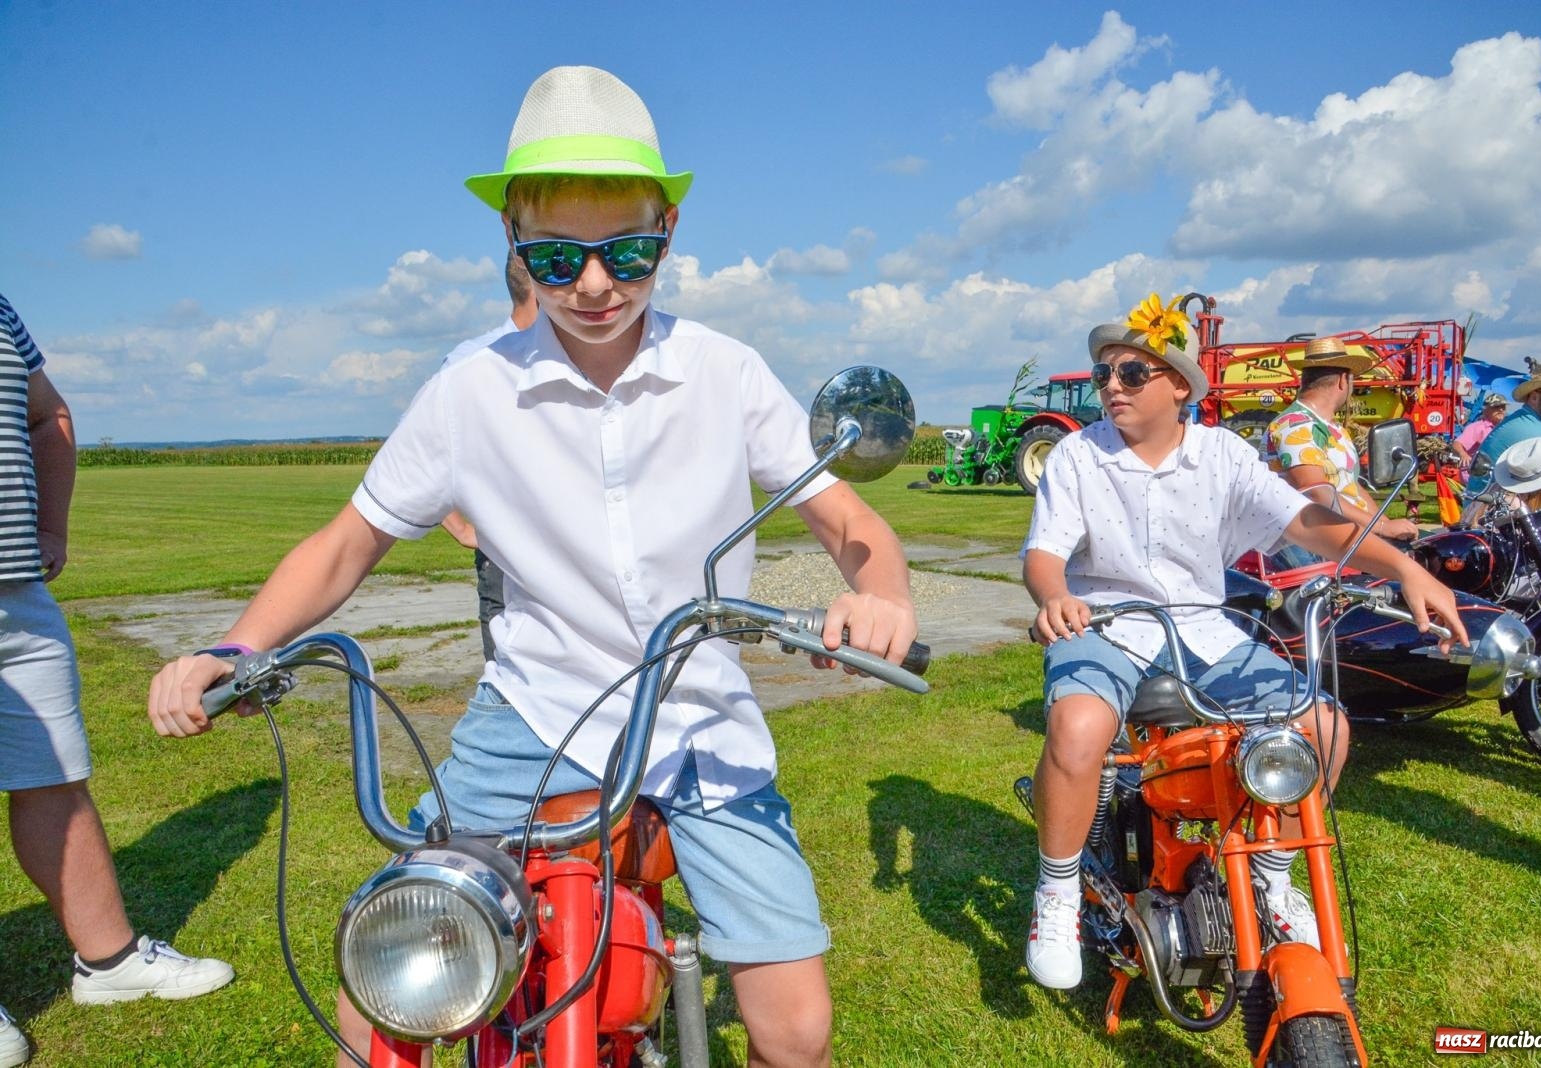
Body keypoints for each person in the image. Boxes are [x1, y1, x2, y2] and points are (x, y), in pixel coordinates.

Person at [146, 67, 917, 1068]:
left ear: (670, 228)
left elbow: (849, 519)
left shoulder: (725, 373)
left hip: (700, 721)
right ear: (512, 240)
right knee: (382, 987)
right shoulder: (469, 392)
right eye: (557, 259)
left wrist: (880, 592)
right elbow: (349, 542)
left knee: (794, 1029)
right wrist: (234, 649)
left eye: (629, 251)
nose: (596, 285)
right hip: (535, 713)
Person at [1020, 294, 1467, 991]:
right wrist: (1056, 599)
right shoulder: (1078, 456)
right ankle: (1056, 892)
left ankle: (1271, 878)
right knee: (1077, 729)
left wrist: (1405, 567)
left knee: (1324, 726)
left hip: (1203, 629)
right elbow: (1044, 554)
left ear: (1178, 385)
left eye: (1131, 373)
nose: (1111, 385)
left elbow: (1310, 522)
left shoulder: (1222, 454)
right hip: (1103, 625)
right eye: (1105, 371)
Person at [0, 294, 233, 1068]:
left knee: (56, 781)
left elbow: (48, 415)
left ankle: (110, 963)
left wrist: (52, 526)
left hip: (17, 597)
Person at [438, 249, 539, 661]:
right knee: (507, 676)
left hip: (582, 546)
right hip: (505, 551)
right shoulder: (472, 363)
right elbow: (426, 453)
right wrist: (462, 529)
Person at [1266, 336, 1419, 541]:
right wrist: (1381, 527)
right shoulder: (1295, 426)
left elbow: (1351, 486)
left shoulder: (1331, 428)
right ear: (1342, 381)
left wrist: (1386, 525)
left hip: (1345, 541)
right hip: (1316, 549)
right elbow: (1317, 492)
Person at [1466, 359, 1541, 503]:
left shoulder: (1521, 420)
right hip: (1493, 519)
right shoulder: (1536, 435)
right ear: (1534, 397)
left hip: (1485, 512)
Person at [1450, 392, 1507, 467]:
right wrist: (1463, 455)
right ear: (1486, 409)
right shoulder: (1477, 427)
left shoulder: (1504, 428)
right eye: (1496, 407)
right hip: (1476, 473)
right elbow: (1457, 444)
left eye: (1503, 407)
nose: (1501, 410)